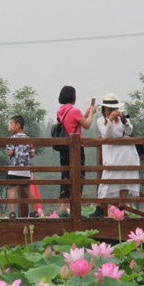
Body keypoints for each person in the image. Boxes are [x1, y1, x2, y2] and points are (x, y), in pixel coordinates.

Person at [91, 93, 140, 217]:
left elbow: (129, 131)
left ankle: (121, 207)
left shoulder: (122, 119)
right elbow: (106, 134)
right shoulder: (101, 121)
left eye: (113, 109)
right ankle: (100, 206)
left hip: (127, 153)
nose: (111, 111)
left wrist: (124, 121)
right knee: (106, 179)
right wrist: (110, 119)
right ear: (104, 109)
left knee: (125, 180)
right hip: (112, 154)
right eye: (109, 109)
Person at [56, 85, 96, 216]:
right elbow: (87, 125)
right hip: (76, 149)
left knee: (66, 175)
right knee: (79, 176)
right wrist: (91, 114)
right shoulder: (75, 110)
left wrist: (84, 115)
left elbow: (73, 122)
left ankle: (62, 208)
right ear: (72, 96)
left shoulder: (60, 111)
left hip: (64, 148)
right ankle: (75, 208)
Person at [6, 115, 37, 218]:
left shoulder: (12, 138)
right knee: (28, 189)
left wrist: (9, 151)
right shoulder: (28, 139)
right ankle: (35, 210)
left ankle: (12, 212)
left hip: (14, 168)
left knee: (12, 189)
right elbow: (32, 154)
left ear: (18, 125)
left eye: (11, 124)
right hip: (25, 169)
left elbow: (10, 152)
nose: (10, 127)